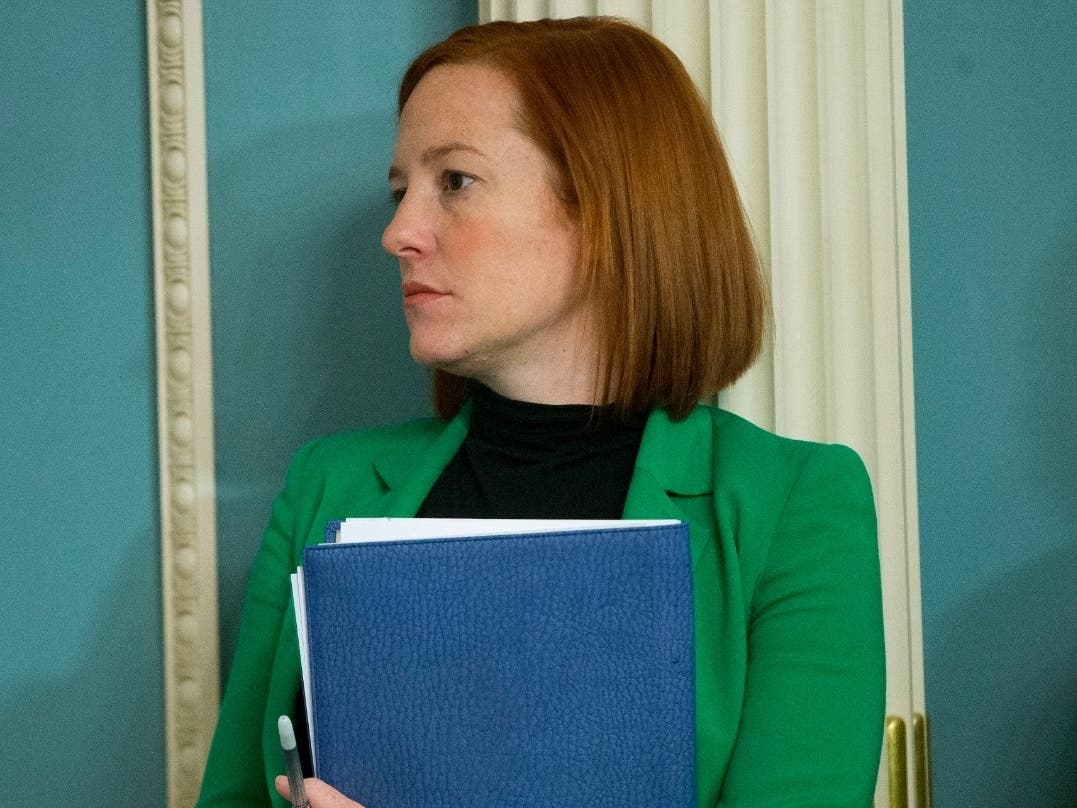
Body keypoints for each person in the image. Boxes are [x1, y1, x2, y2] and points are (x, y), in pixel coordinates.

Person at [196, 16, 885, 808]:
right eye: (400, 192)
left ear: (607, 207)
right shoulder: (328, 484)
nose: (396, 232)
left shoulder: (793, 502)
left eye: (453, 181)